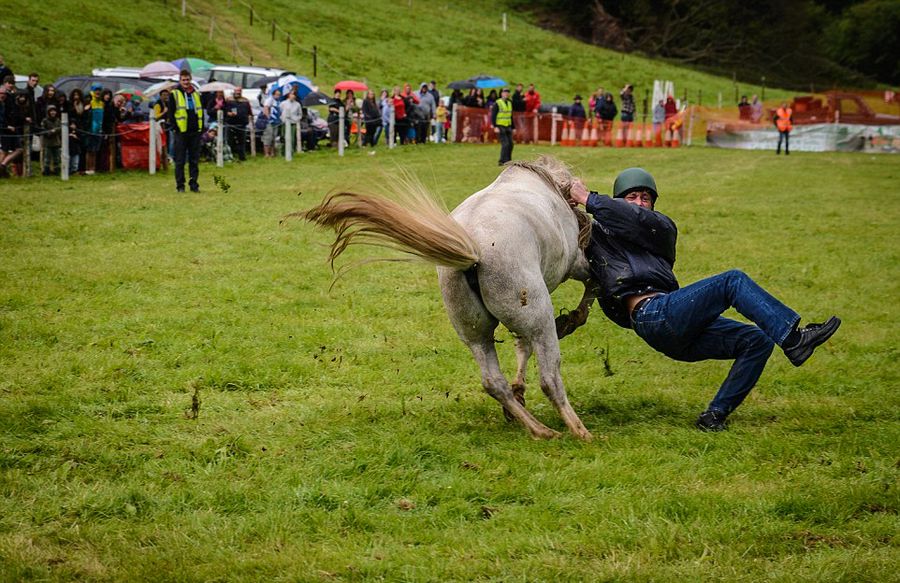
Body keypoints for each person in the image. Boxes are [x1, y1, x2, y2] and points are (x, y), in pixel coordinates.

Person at [568, 168, 840, 431]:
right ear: (617, 200)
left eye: (646, 197)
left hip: (669, 317)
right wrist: (573, 201)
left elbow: (634, 219)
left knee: (756, 341)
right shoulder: (599, 234)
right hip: (651, 316)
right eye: (632, 197)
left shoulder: (661, 228)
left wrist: (589, 197)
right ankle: (794, 340)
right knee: (732, 281)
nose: (640, 203)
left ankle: (715, 415)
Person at [166, 69, 203, 192]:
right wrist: (175, 127)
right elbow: (171, 113)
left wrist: (201, 128)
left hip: (195, 131)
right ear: (180, 80)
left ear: (190, 79)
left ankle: (194, 184)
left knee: (194, 160)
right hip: (181, 132)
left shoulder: (196, 93)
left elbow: (200, 111)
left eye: (187, 79)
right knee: (180, 160)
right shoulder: (174, 94)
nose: (186, 82)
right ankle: (180, 185)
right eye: (183, 80)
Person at [224, 86, 251, 161]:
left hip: (242, 124)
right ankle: (230, 157)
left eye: (239, 91)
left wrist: (248, 118)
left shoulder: (245, 100)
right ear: (234, 91)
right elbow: (224, 110)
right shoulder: (228, 100)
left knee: (242, 142)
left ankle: (242, 157)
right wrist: (228, 113)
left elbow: (249, 111)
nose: (237, 92)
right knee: (230, 141)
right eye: (236, 91)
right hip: (230, 123)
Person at [491, 87, 514, 165]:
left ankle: (508, 160)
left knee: (511, 144)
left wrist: (514, 127)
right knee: (505, 144)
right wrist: (495, 126)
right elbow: (493, 115)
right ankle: (502, 161)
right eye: (505, 92)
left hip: (508, 125)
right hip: (500, 125)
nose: (506, 94)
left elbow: (510, 116)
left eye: (507, 92)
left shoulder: (510, 103)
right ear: (502, 94)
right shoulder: (497, 103)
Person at [40, 104, 61, 175]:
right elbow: (42, 130)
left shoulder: (58, 120)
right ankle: (46, 171)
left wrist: (55, 131)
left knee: (57, 158)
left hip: (56, 141)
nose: (53, 112)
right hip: (47, 142)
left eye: (54, 111)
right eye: (51, 111)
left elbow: (60, 128)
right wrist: (50, 132)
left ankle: (56, 170)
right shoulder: (45, 120)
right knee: (47, 158)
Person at [262, 88, 282, 158]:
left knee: (274, 137)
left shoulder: (278, 101)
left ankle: (273, 153)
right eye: (277, 94)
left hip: (276, 122)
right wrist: (268, 118)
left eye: (279, 95)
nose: (278, 96)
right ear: (273, 94)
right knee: (268, 138)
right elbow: (265, 108)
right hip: (269, 122)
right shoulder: (269, 100)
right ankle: (266, 154)